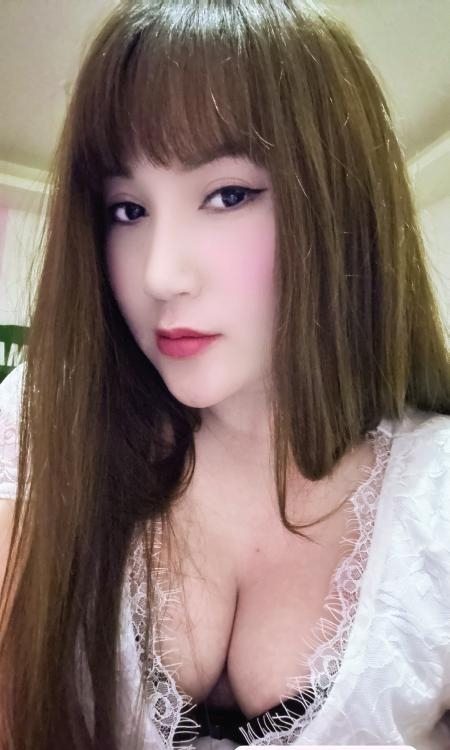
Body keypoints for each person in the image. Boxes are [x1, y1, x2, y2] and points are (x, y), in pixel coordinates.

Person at [0, 1, 449, 748]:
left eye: (228, 195)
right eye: (127, 209)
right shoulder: (46, 423)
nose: (160, 274)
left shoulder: (436, 493)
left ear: (341, 209)